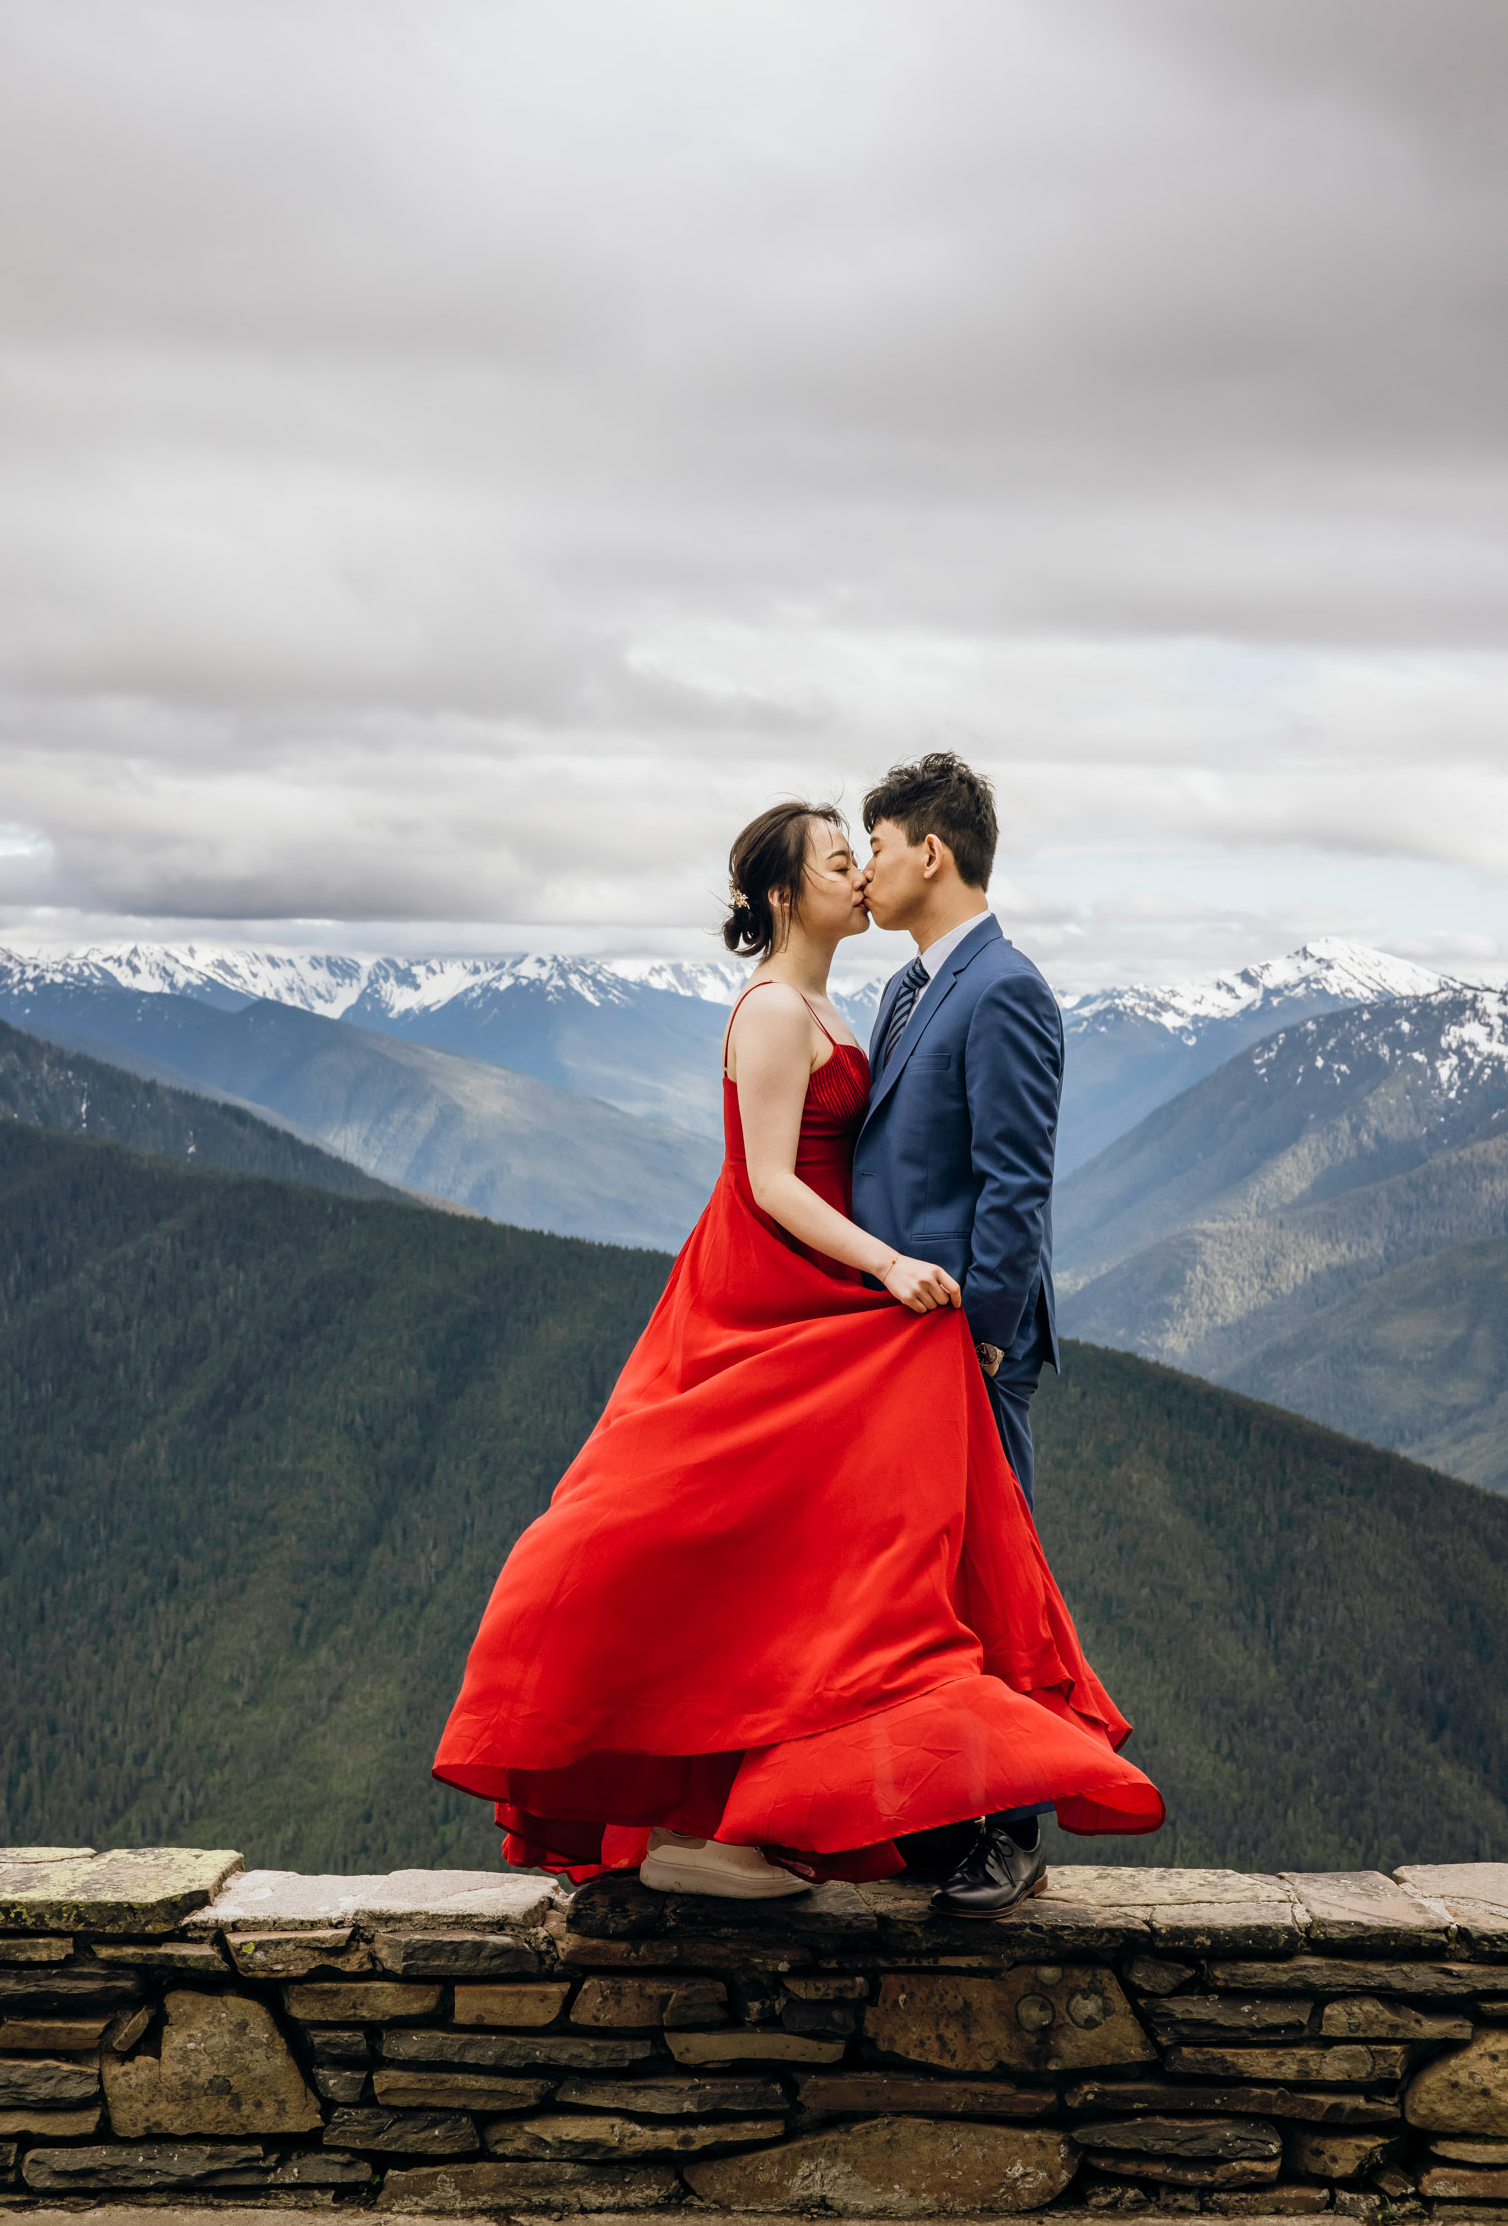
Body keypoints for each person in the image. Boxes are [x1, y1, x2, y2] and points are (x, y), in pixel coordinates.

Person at [432, 799, 1161, 1903]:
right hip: (779, 1281)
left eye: (862, 852)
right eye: (838, 859)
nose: (857, 874)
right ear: (785, 892)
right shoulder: (778, 1010)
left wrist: (959, 1313)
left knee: (820, 1561)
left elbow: (987, 1170)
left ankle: (799, 1818)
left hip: (840, 1290)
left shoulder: (865, 999)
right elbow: (769, 1180)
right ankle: (731, 1822)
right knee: (753, 1536)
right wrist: (884, 1269)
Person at [854, 751, 1066, 1914]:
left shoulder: (1005, 989)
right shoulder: (902, 990)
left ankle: (1011, 1827)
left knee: (995, 1580)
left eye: (876, 845)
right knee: (921, 1586)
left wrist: (980, 1339)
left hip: (968, 1348)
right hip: (896, 1347)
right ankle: (940, 1816)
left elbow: (1013, 1187)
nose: (867, 866)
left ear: (928, 850)